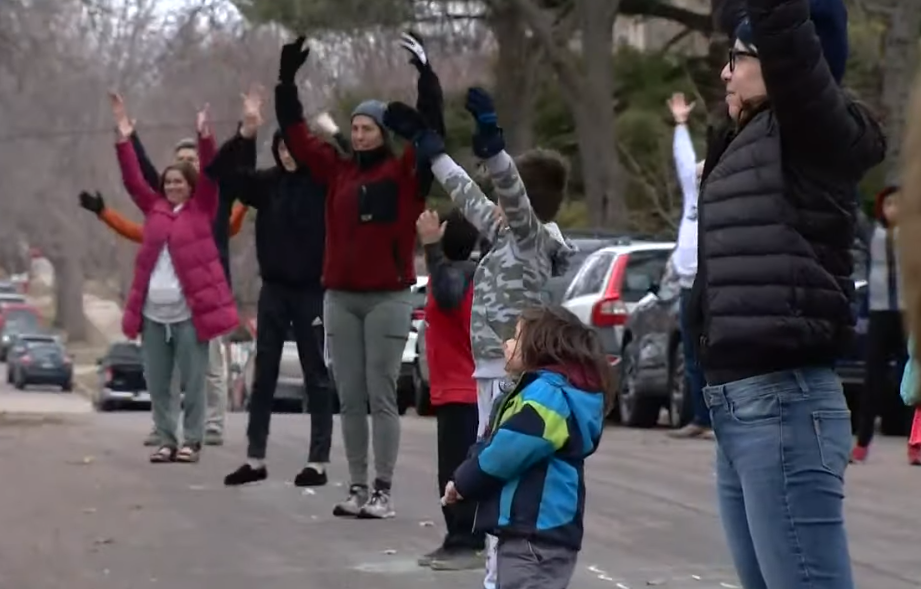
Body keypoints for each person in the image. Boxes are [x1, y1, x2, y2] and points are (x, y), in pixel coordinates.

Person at [688, 0, 885, 586]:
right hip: (740, 406)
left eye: (739, 59)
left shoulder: (810, 126)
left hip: (780, 404)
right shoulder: (755, 140)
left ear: (785, 64)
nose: (725, 72)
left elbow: (791, 36)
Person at [383, 88, 574, 589]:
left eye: (505, 198)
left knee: (499, 472)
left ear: (523, 203)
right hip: (490, 372)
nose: (492, 203)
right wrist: (432, 148)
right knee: (490, 471)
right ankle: (496, 570)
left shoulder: (531, 238)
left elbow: (507, 186)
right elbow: (469, 192)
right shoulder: (504, 229)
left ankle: (504, 572)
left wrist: (491, 141)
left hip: (514, 375)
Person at [273, 31, 445, 518]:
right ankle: (357, 486)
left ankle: (384, 491)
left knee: (381, 393)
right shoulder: (337, 171)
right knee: (348, 396)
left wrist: (426, 76)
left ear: (382, 133)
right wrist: (286, 82)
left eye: (368, 127)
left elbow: (431, 130)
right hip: (340, 298)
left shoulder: (404, 172)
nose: (360, 134)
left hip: (387, 298)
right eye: (355, 127)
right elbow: (298, 138)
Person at [91, 106, 253, 447]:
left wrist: (204, 135)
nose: (173, 186)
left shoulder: (204, 207)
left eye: (180, 181)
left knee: (199, 376)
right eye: (169, 182)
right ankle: (166, 435)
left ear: (191, 184)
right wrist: (124, 140)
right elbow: (135, 180)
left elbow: (211, 174)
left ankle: (198, 434)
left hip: (193, 308)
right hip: (152, 310)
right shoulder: (155, 210)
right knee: (159, 377)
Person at [212, 87, 335, 488]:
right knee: (263, 373)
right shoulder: (268, 184)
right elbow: (228, 179)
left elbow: (349, 165)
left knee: (315, 372)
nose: (287, 155)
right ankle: (255, 456)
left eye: (293, 149)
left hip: (311, 290)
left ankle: (317, 460)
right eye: (280, 149)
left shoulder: (322, 184)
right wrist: (246, 132)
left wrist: (331, 134)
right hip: (274, 291)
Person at [443, 306, 610, 589]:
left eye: (516, 337)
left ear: (541, 347)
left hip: (534, 536)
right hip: (540, 533)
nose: (506, 343)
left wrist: (464, 482)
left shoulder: (546, 397)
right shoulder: (543, 392)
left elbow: (508, 449)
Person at [414, 208, 484, 571]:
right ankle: (455, 536)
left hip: (465, 391)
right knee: (449, 473)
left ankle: (469, 541)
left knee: (461, 473)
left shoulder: (459, 276)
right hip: (450, 390)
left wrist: (431, 249)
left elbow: (445, 296)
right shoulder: (454, 272)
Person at [664, 92, 710, 440]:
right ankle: (699, 418)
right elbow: (684, 162)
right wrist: (681, 124)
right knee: (692, 353)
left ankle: (718, 420)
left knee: (716, 353)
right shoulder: (692, 199)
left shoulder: (722, 199)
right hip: (686, 285)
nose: (696, 177)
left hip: (714, 285)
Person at [853, 184, 908, 463]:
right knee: (871, 380)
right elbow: (851, 212)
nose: (894, 209)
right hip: (879, 313)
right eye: (889, 204)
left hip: (908, 316)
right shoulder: (872, 232)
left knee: (913, 381)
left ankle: (916, 444)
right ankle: (862, 443)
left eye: (899, 204)